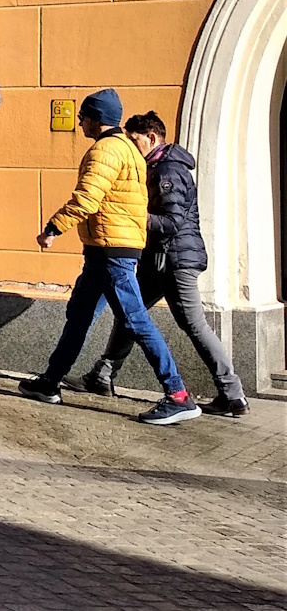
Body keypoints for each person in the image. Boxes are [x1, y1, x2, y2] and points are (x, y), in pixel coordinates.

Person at [18, 89, 201, 425]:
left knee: (135, 321)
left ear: (96, 119)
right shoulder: (129, 151)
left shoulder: (105, 150)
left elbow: (87, 197)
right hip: (108, 248)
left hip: (111, 252)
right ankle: (49, 382)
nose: (80, 122)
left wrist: (53, 228)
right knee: (79, 314)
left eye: (83, 116)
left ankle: (178, 395)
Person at [79, 112, 248, 416]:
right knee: (130, 313)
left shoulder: (168, 170)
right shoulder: (155, 166)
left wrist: (131, 216)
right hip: (157, 259)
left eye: (135, 140)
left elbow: (170, 222)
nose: (131, 146)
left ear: (152, 138)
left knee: (193, 324)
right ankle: (102, 375)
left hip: (175, 260)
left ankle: (232, 393)